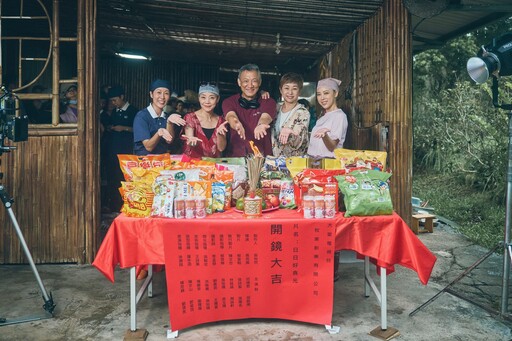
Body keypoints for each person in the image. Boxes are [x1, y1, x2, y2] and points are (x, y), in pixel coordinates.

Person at [222, 63, 277, 157]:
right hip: (236, 158)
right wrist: (236, 124)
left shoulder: (269, 102)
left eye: (254, 81)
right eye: (246, 81)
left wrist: (261, 125)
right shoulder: (229, 102)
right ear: (239, 82)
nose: (250, 85)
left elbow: (266, 117)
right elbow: (231, 116)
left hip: (262, 158)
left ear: (259, 82)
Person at [170, 82, 228, 158]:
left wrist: (220, 135)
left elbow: (221, 148)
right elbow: (189, 138)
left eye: (212, 98)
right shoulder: (190, 118)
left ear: (218, 99)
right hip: (193, 165)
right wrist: (191, 141)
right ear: (199, 98)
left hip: (213, 166)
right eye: (203, 97)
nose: (207, 101)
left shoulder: (221, 121)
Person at [104, 85, 139, 211]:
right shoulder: (114, 112)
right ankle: (114, 205)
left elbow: (139, 131)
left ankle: (127, 205)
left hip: (127, 151)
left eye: (115, 100)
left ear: (122, 97)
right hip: (114, 151)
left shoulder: (134, 111)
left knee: (126, 178)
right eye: (111, 101)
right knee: (114, 178)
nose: (113, 103)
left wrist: (124, 128)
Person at [307, 77, 348, 158]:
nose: (322, 98)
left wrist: (324, 135)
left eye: (326, 93)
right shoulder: (322, 117)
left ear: (335, 93)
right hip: (314, 161)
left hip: (328, 163)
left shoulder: (339, 116)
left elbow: (332, 147)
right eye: (319, 94)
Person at [271, 72, 310, 157]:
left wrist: (291, 132)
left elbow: (299, 141)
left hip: (296, 164)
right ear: (281, 90)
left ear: (299, 91)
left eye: (294, 88)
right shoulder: (275, 108)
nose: (290, 92)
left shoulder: (303, 112)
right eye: (286, 88)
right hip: (276, 163)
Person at [133, 79, 174, 156]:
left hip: (162, 162)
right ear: (151, 94)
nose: (162, 97)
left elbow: (169, 141)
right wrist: (159, 133)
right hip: (144, 163)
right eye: (158, 92)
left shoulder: (167, 117)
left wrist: (169, 122)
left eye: (166, 93)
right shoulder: (142, 116)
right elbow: (148, 147)